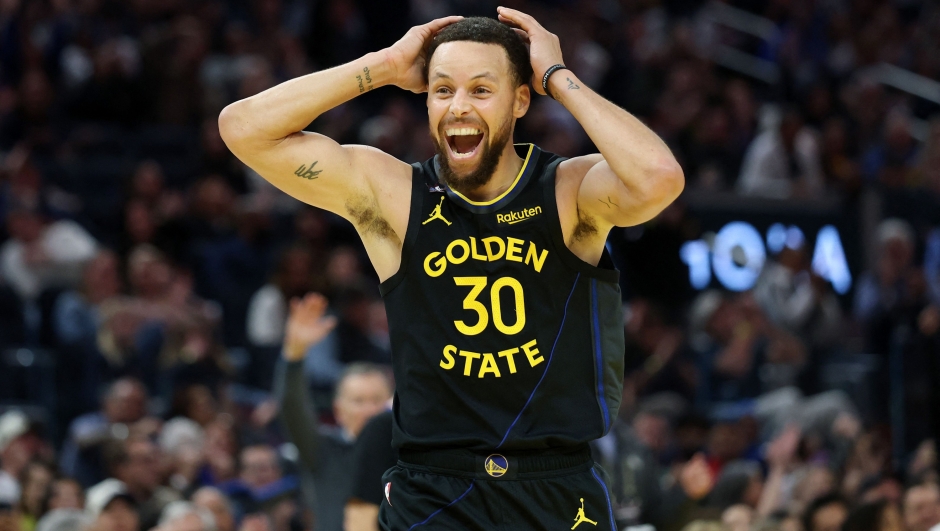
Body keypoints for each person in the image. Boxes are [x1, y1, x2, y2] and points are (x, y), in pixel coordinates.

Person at [219, 9, 683, 529]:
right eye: (442, 90)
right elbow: (243, 128)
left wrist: (558, 77)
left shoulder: (567, 191)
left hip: (558, 485)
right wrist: (383, 65)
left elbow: (659, 178)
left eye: (481, 90)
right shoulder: (395, 194)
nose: (458, 106)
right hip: (433, 491)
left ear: (521, 100)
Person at [275, 293, 392, 531]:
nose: (370, 409)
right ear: (338, 410)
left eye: (376, 400)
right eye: (359, 401)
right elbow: (291, 407)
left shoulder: (404, 455)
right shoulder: (323, 450)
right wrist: (294, 352)